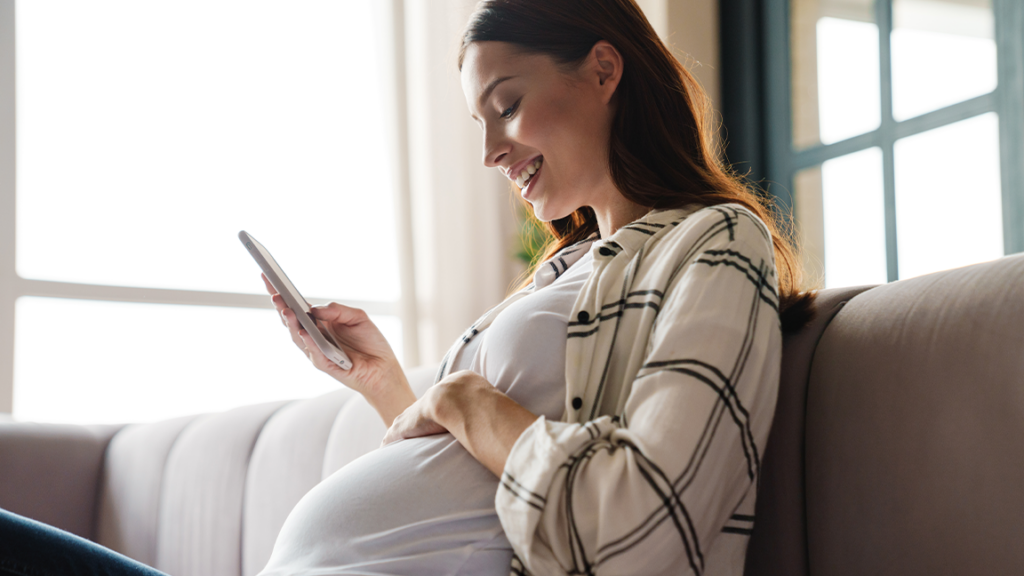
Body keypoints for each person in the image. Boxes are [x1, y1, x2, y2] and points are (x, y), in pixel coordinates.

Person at [0, 1, 814, 575]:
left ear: (603, 70)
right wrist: (388, 387)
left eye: (507, 106)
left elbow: (641, 527)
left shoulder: (710, 242)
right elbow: (471, 489)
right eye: (479, 124)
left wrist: (462, 400)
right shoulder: (571, 267)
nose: (491, 151)